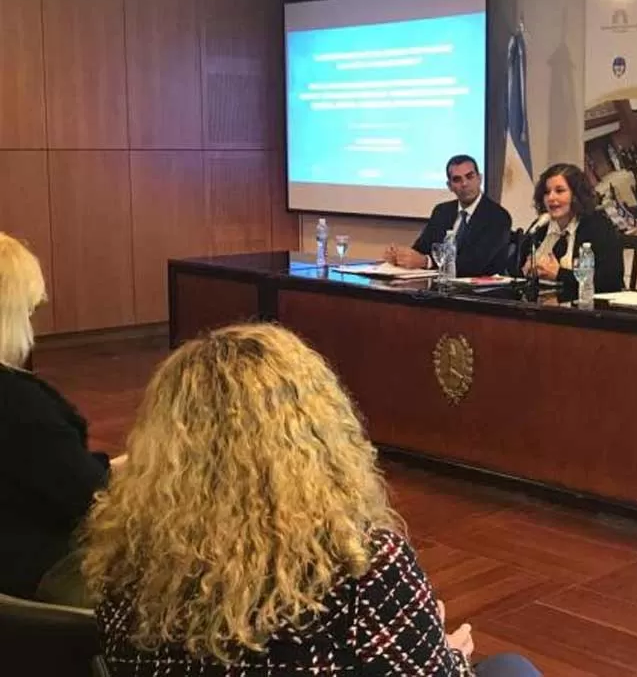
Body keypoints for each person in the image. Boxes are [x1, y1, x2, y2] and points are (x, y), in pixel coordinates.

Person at [82, 323, 539, 677]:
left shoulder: (124, 550)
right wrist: (444, 654)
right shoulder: (361, 565)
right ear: (319, 429)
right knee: (510, 668)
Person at [0, 232, 123, 604]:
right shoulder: (17, 404)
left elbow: (47, 469)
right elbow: (92, 502)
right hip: (34, 574)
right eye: (28, 312)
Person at [385, 154, 512, 277]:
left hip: (481, 293)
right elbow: (421, 249)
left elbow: (474, 265)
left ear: (480, 179)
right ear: (449, 186)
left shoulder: (498, 217)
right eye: (457, 179)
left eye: (470, 177)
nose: (464, 184)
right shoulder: (442, 211)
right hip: (440, 289)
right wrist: (401, 257)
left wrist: (426, 261)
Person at [521, 162, 624, 298]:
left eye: (559, 191)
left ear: (576, 195)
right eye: (547, 192)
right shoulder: (541, 226)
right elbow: (517, 267)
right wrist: (526, 269)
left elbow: (610, 282)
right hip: (545, 304)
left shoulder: (598, 226)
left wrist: (559, 274)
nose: (551, 198)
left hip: (588, 310)